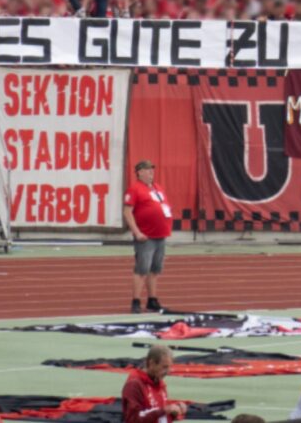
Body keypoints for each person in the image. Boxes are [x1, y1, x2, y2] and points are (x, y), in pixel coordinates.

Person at [124, 160, 173, 314]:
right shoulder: (134, 189)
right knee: (142, 269)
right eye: (147, 169)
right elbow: (127, 212)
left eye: (152, 169)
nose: (151, 172)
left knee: (155, 269)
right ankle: (136, 301)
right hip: (146, 236)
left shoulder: (158, 188)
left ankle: (152, 299)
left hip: (160, 235)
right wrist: (137, 232)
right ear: (139, 172)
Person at [121, 346, 185, 423]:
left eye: (169, 367)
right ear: (152, 363)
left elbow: (160, 414)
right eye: (164, 367)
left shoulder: (159, 382)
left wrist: (174, 411)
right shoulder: (134, 385)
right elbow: (134, 420)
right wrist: (164, 410)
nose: (168, 372)